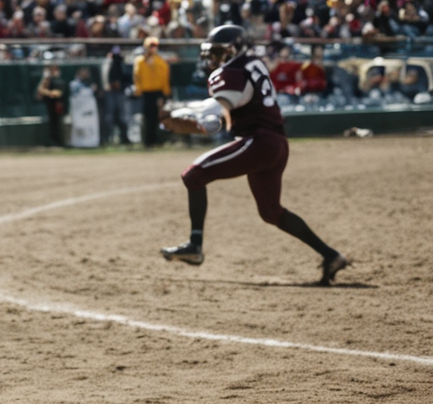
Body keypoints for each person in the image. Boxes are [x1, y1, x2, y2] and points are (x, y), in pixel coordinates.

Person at [159, 25, 349, 285]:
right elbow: (223, 115)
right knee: (271, 212)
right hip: (275, 143)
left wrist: (183, 111)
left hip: (259, 142)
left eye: (218, 52)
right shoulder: (249, 65)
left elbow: (219, 106)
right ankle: (331, 255)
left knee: (193, 176)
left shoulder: (233, 70)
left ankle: (195, 245)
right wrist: (203, 121)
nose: (212, 59)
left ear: (234, 49)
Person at [133, 36, 170, 147]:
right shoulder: (140, 61)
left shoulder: (161, 62)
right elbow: (137, 77)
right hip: (145, 93)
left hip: (157, 92)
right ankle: (147, 141)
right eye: (151, 46)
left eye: (155, 46)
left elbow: (164, 78)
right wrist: (138, 90)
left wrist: (165, 94)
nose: (153, 49)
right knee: (147, 117)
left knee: (157, 117)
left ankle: (157, 140)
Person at [101, 46, 131, 145]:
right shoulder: (107, 62)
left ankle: (124, 138)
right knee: (109, 117)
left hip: (120, 93)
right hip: (110, 93)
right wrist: (110, 84)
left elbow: (127, 77)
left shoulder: (122, 63)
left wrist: (120, 84)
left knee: (122, 117)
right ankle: (108, 139)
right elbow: (105, 78)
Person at [36, 62, 65, 147]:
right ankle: (53, 142)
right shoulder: (47, 77)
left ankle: (59, 141)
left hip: (59, 103)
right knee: (53, 123)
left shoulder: (59, 75)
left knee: (58, 122)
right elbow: (40, 89)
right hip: (50, 103)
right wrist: (50, 93)